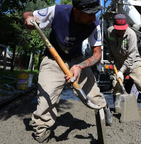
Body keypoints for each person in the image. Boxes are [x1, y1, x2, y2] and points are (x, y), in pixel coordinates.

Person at [22, 0, 112, 143]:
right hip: (52, 59)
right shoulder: (57, 12)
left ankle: (103, 109)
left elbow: (97, 55)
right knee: (46, 97)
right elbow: (28, 14)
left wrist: (80, 66)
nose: (94, 18)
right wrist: (28, 19)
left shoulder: (94, 25)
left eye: (95, 13)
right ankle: (42, 130)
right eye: (90, 14)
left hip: (76, 59)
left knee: (93, 94)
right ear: (76, 11)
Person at [106, 14, 141, 110]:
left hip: (134, 63)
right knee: (116, 86)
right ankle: (117, 109)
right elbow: (107, 45)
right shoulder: (109, 32)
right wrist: (109, 54)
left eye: (122, 29)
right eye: (118, 29)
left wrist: (121, 71)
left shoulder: (131, 34)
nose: (120, 31)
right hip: (119, 62)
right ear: (114, 26)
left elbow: (131, 55)